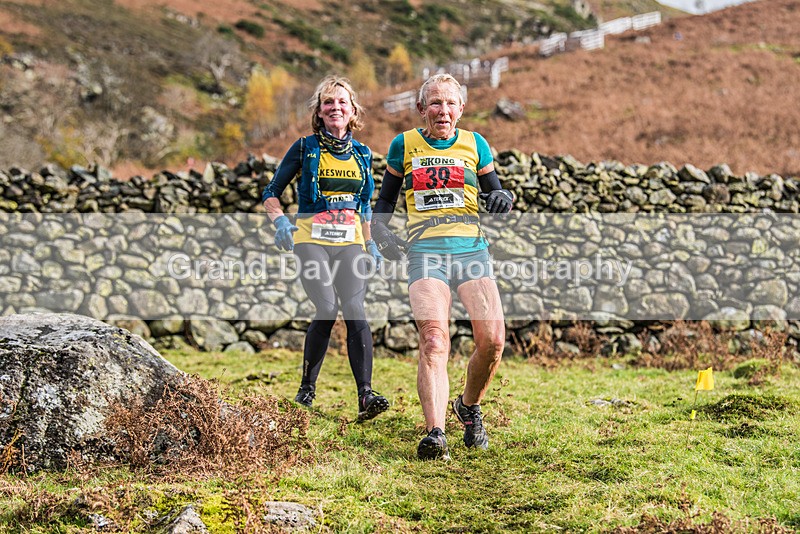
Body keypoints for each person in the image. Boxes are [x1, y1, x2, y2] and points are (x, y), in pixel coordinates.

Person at [371, 73, 514, 459]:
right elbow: (384, 203)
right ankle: (435, 432)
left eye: (451, 103)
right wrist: (379, 231)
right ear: (422, 109)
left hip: (471, 250)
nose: (443, 110)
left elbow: (495, 190)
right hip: (425, 252)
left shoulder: (475, 144)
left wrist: (503, 198)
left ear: (462, 109)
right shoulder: (403, 145)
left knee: (493, 341)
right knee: (434, 339)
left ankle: (468, 406)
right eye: (435, 102)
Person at [262, 75, 389, 422]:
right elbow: (270, 191)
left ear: (353, 111)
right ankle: (307, 389)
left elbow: (365, 205)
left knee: (355, 308)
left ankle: (365, 395)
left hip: (349, 241)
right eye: (328, 103)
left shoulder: (363, 154)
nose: (335, 107)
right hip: (310, 239)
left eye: (342, 102)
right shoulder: (304, 147)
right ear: (319, 112)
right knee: (327, 306)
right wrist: (280, 222)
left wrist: (371, 244)